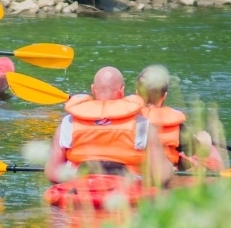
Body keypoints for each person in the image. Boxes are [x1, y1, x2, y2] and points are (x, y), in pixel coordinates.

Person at [44, 66, 174, 186]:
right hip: (126, 191)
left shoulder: (68, 123)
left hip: (81, 190)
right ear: (122, 91)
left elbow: (52, 172)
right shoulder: (142, 125)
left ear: (93, 89)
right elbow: (162, 176)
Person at [135, 64, 225, 171]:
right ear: (164, 96)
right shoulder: (178, 128)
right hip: (164, 174)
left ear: (137, 93)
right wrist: (205, 142)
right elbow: (201, 152)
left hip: (130, 172)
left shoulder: (123, 120)